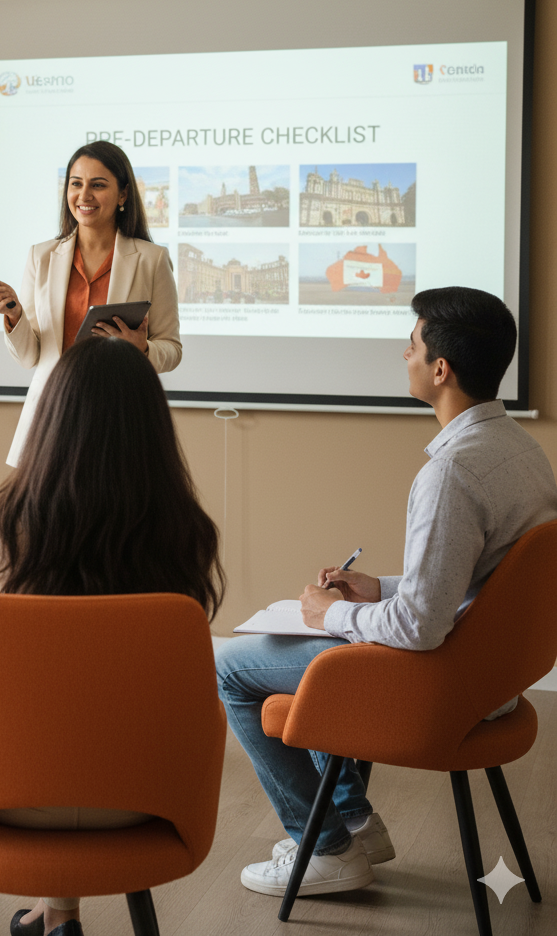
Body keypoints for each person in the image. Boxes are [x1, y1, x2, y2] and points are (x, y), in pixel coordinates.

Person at [216, 286, 557, 899]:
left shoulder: (449, 473)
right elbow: (473, 584)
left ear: (440, 369)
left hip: (444, 686)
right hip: (492, 678)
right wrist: (376, 588)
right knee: (324, 646)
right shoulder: (521, 451)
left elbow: (421, 628)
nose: (405, 354)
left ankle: (326, 849)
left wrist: (337, 612)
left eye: (413, 345)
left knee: (232, 667)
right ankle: (352, 823)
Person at [0, 336, 224, 936]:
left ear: (52, 419)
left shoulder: (0, 526)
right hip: (147, 797)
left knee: (42, 716)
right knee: (97, 714)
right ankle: (56, 918)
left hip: (5, 791)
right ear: (154, 431)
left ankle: (55, 916)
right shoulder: (185, 535)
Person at [0, 140, 181, 466]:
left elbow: (171, 348)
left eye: (98, 185)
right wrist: (14, 314)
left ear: (124, 195)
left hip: (120, 418)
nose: (84, 195)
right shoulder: (40, 256)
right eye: (76, 184)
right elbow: (30, 356)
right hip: (53, 416)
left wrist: (141, 349)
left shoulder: (152, 260)